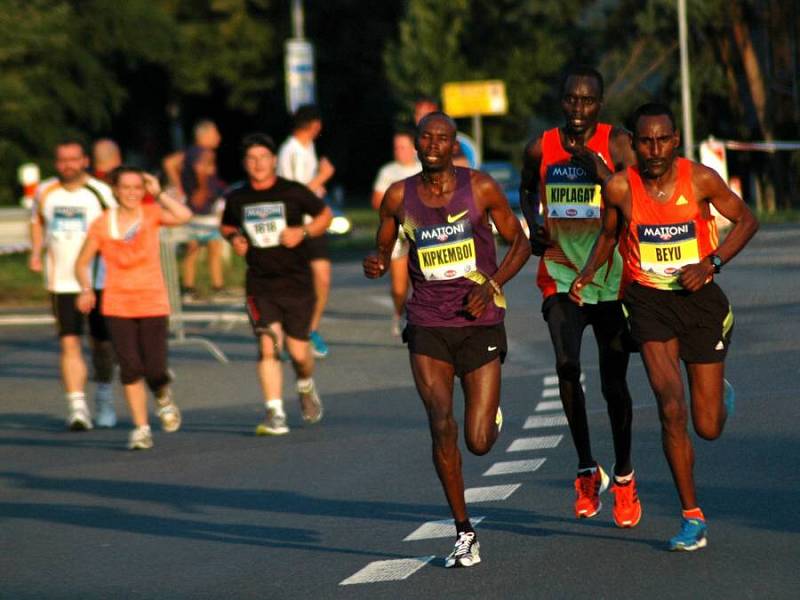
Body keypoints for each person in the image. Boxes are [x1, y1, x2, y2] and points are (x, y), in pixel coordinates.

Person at [569, 102, 758, 551]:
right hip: (648, 302)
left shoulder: (700, 180)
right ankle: (692, 516)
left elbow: (748, 220)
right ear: (633, 144)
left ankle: (718, 392)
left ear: (675, 141)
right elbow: (610, 235)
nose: (654, 149)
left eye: (662, 140)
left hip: (700, 300)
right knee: (670, 406)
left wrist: (711, 264)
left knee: (707, 425)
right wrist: (589, 273)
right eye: (645, 141)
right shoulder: (619, 187)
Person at [364, 112, 529, 568]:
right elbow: (384, 245)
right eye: (426, 137)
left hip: (479, 320)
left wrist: (491, 284)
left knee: (478, 441)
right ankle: (464, 531)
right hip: (428, 323)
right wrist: (377, 261)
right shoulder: (399, 195)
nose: (433, 144)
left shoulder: (480, 188)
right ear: (417, 145)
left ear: (454, 145)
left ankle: (490, 413)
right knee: (441, 423)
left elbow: (521, 243)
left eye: (442, 138)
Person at [519, 65, 641, 526]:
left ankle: (625, 477)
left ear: (600, 104)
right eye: (571, 99)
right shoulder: (542, 146)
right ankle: (587, 468)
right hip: (560, 272)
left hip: (611, 278)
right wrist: (534, 223)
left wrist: (601, 170)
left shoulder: (617, 143)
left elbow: (636, 198)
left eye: (587, 101)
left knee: (613, 385)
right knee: (566, 365)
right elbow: (528, 189)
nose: (578, 108)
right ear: (562, 99)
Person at [221, 133, 332, 435]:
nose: (258, 164)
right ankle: (275, 412)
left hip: (296, 282)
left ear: (273, 160)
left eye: (263, 158)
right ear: (245, 163)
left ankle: (306, 385)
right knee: (268, 344)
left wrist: (304, 232)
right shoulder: (237, 197)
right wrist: (234, 238)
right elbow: (227, 223)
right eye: (251, 159)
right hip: (260, 284)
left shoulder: (293, 192)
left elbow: (325, 215)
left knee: (299, 354)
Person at [75, 167, 192, 449]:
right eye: (125, 187)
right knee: (130, 368)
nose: (131, 193)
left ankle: (162, 394)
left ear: (143, 190)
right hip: (117, 303)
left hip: (152, 300)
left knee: (154, 369)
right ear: (115, 189)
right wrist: (86, 289)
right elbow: (82, 263)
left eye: (137, 188)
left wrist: (159, 192)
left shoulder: (151, 215)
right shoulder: (103, 223)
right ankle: (141, 429)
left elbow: (184, 216)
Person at [28, 140, 117, 430]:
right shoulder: (46, 190)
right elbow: (37, 221)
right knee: (69, 341)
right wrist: (36, 251)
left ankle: (104, 399)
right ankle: (77, 407)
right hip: (62, 279)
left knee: (102, 344)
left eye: (74, 159)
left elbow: (117, 226)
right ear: (56, 163)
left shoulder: (100, 191)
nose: (68, 165)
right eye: (63, 160)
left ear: (85, 161)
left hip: (98, 278)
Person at [277, 105, 336, 359]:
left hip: (314, 222)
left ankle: (310, 329)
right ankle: (290, 333)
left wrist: (317, 188)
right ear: (314, 125)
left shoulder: (309, 147)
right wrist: (322, 177)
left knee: (322, 278)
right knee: (296, 283)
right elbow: (291, 195)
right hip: (294, 226)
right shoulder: (288, 151)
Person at [370, 129, 421, 335]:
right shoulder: (388, 172)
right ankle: (399, 313)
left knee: (422, 279)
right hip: (398, 233)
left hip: (422, 232)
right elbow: (376, 201)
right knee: (399, 287)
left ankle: (420, 316)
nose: (399, 151)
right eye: (396, 147)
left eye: (403, 147)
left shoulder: (422, 168)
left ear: (413, 148)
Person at [178, 146, 228, 302]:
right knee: (192, 251)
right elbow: (197, 197)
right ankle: (188, 287)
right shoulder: (190, 174)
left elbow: (218, 194)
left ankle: (217, 286)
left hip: (210, 218)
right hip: (194, 218)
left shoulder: (212, 176)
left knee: (215, 251)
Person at [162, 119, 222, 198]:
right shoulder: (207, 153)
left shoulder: (190, 152)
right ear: (204, 135)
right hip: (207, 201)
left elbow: (168, 162)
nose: (219, 137)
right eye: (215, 133)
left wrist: (179, 188)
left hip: (193, 199)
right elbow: (199, 169)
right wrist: (202, 190)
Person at [413, 96, 476, 168]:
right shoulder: (408, 139)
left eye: (426, 114)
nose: (422, 118)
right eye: (418, 114)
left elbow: (463, 164)